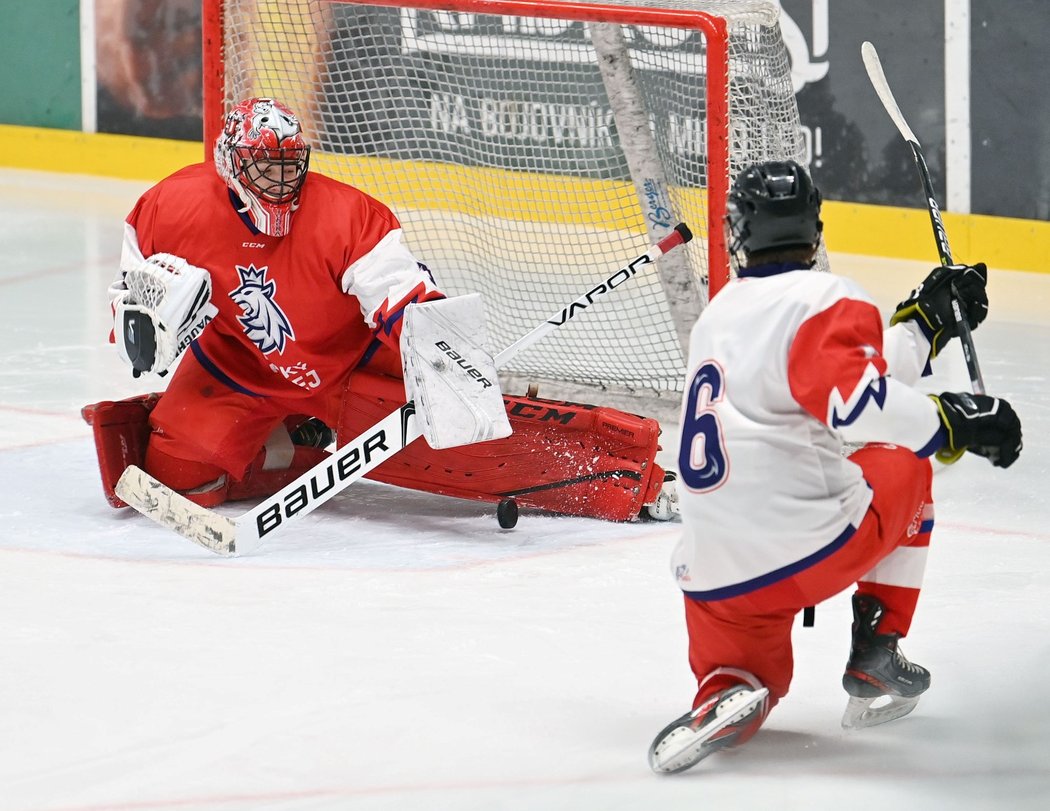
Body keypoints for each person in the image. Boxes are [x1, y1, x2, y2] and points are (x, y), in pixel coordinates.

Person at [82, 97, 677, 523]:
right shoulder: (170, 207)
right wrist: (153, 319)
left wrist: (444, 355)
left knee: (473, 447)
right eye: (267, 168)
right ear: (232, 167)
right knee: (174, 480)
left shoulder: (344, 215)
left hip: (349, 369)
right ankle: (301, 445)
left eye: (293, 167)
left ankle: (622, 475)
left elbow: (401, 294)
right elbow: (129, 302)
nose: (282, 182)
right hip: (236, 370)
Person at [647, 160, 1023, 774]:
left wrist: (924, 323)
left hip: (713, 582)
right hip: (802, 554)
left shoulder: (718, 314)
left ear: (736, 231)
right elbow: (856, 405)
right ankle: (877, 653)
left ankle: (724, 689)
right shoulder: (826, 296)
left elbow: (833, 381)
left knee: (747, 673)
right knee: (906, 461)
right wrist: (954, 420)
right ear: (815, 228)